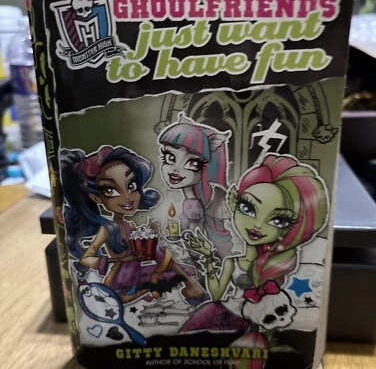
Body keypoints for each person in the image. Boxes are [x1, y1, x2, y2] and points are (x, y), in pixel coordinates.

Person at [180, 153, 328, 332]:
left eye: (278, 220)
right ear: (234, 204)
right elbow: (217, 294)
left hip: (260, 321)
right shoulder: (232, 262)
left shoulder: (278, 264)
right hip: (227, 313)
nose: (257, 225)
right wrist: (209, 257)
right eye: (248, 208)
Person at [61, 145, 203, 303]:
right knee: (120, 299)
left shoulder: (131, 226)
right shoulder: (107, 229)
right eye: (110, 191)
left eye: (131, 186)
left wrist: (151, 234)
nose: (127, 196)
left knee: (159, 249)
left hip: (140, 267)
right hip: (122, 274)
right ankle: (151, 287)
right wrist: (107, 261)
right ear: (96, 198)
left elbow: (142, 248)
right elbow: (86, 258)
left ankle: (189, 285)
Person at [158, 112, 235, 260]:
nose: (175, 169)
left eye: (193, 163)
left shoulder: (213, 198)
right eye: (170, 157)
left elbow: (200, 238)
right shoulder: (190, 199)